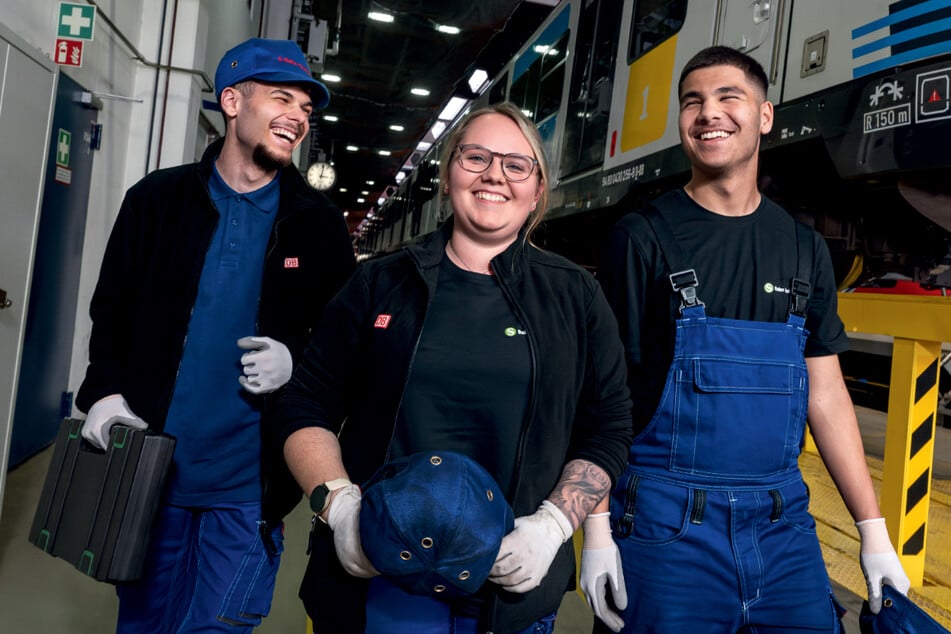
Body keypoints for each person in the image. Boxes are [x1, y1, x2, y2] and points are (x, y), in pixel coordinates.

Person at [274, 101, 634, 633]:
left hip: (511, 585)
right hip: (380, 569)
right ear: (447, 177)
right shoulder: (379, 284)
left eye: (517, 165)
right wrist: (341, 507)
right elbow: (306, 405)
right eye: (476, 157)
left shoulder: (575, 296)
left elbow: (606, 426)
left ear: (537, 190)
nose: (494, 175)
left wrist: (556, 525)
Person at [594, 45, 912, 632]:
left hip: (782, 524)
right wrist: (594, 531)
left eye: (727, 98)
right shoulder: (639, 239)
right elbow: (599, 396)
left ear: (765, 116)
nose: (707, 113)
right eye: (692, 102)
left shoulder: (803, 248)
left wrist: (872, 533)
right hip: (666, 525)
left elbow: (826, 393)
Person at [74, 37, 357, 632]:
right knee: (143, 625)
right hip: (152, 475)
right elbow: (112, 311)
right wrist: (102, 393)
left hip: (249, 490)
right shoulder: (156, 201)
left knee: (219, 628)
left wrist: (295, 359)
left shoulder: (319, 226)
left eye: (307, 108)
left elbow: (341, 348)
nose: (299, 117)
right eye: (283, 98)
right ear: (232, 101)